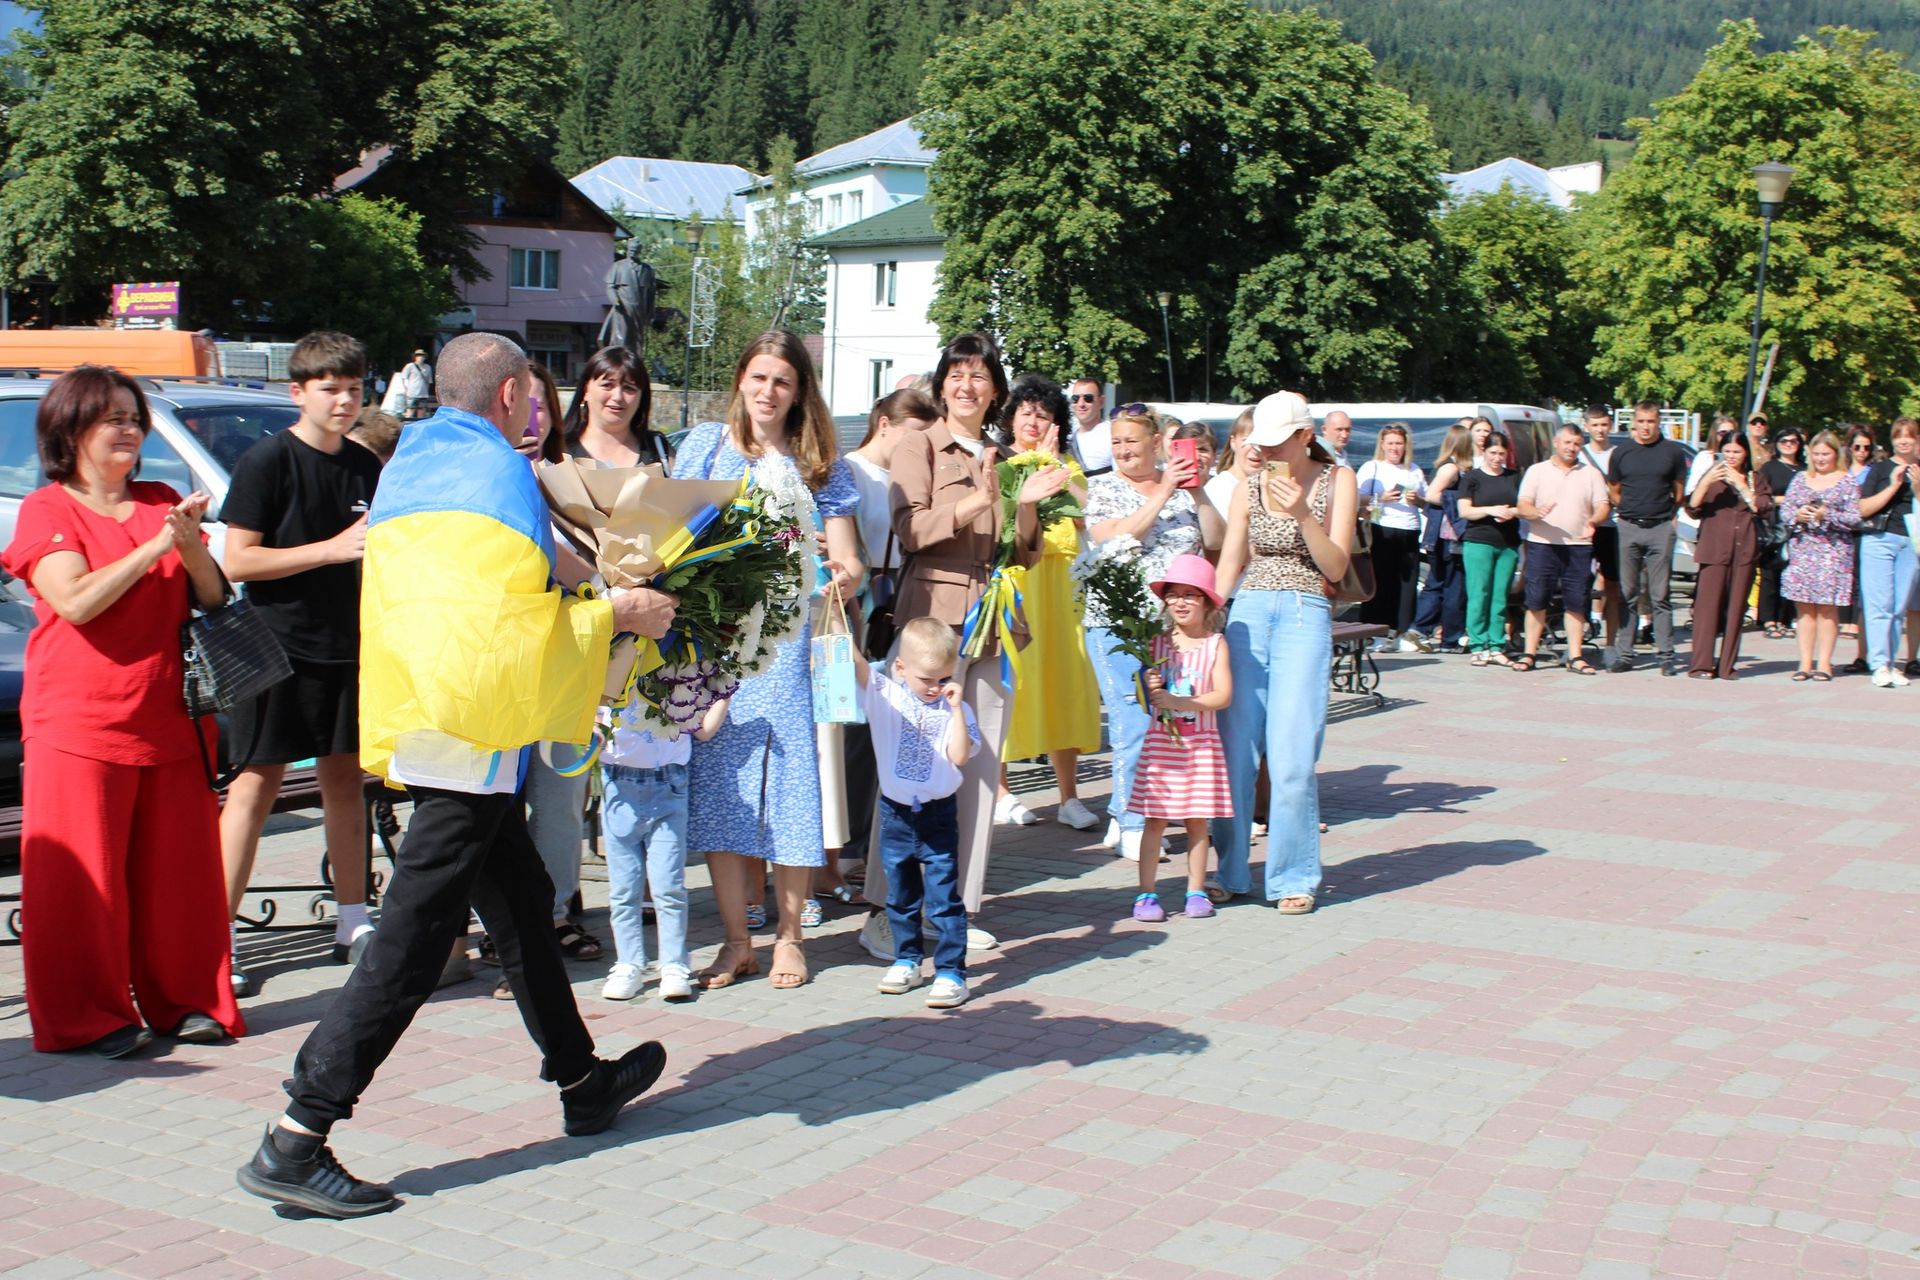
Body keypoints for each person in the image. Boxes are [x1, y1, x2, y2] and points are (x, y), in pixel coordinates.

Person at [236, 333, 677, 1217]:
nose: (538, 409)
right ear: (512, 392)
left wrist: (597, 583)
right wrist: (619, 611)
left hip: (424, 712)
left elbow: (505, 579)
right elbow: (507, 620)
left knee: (519, 895)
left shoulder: (416, 460)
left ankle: (580, 1076)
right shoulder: (500, 474)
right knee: (409, 938)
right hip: (472, 729)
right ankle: (299, 1131)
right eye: (534, 396)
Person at [2, 365, 245, 1057]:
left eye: (135, 416)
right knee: (83, 886)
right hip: (77, 724)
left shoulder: (160, 500)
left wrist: (192, 547)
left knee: (178, 883)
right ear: (70, 430)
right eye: (112, 417)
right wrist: (158, 546)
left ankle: (185, 1002)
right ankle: (88, 1016)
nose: (129, 428)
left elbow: (215, 598)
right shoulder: (48, 510)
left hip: (169, 719)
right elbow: (75, 601)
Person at [672, 331, 861, 992]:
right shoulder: (704, 447)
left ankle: (788, 938)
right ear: (740, 380)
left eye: (782, 380)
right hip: (717, 640)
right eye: (758, 377)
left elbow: (852, 564)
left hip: (784, 646)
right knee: (721, 788)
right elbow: (670, 534)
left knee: (789, 788)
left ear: (798, 390)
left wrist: (835, 567)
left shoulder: (819, 462)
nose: (767, 391)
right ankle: (734, 942)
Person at [857, 333, 1052, 961]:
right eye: (957, 375)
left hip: (991, 617)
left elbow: (1024, 551)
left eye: (980, 376)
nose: (968, 386)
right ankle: (887, 915)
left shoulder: (1003, 452)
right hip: (930, 621)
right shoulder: (918, 444)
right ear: (942, 385)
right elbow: (910, 531)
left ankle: (956, 912)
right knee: (909, 765)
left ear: (996, 389)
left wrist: (1024, 506)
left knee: (976, 768)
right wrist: (977, 500)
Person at [216, 332, 383, 994]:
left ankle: (352, 919)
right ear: (298, 392)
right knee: (254, 788)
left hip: (348, 648)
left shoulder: (366, 467)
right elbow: (238, 560)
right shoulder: (267, 461)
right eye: (329, 389)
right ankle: (217, 935)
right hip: (274, 647)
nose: (343, 401)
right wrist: (329, 549)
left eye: (353, 389)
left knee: (346, 782)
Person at [1213, 391, 1357, 914]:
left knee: (1294, 757)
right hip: (1249, 611)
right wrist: (1204, 612)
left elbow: (1335, 567)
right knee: (1235, 752)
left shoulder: (1338, 479)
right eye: (1261, 442)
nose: (1266, 451)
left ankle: (1294, 875)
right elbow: (1230, 563)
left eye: (1277, 442)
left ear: (1304, 436)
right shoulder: (1247, 487)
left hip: (1304, 611)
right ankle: (1229, 870)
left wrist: (1301, 514)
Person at [1083, 406, 1223, 859]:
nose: (1123, 450)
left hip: (1174, 628)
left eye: (1132, 441)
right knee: (1134, 720)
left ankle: (1123, 809)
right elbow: (1115, 539)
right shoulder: (1102, 488)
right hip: (1116, 622)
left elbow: (1216, 540)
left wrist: (1197, 493)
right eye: (1117, 442)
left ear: (1156, 443)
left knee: (1164, 720)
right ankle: (1132, 823)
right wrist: (1162, 492)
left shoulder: (1182, 488)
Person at [511, 363, 605, 999]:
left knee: (561, 798)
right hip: (505, 665)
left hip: (566, 660)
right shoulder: (487, 479)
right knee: (498, 801)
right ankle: (504, 923)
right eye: (526, 406)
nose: (534, 420)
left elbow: (602, 560)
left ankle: (556, 912)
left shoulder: (572, 482)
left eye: (544, 407)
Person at [830, 388, 941, 910]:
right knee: (851, 728)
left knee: (883, 725)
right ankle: (845, 849)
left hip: (898, 599)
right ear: (882, 424)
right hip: (861, 600)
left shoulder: (902, 477)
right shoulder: (848, 472)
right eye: (910, 434)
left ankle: (870, 843)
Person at [995, 374, 1101, 830]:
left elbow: (1087, 511)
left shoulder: (1067, 466)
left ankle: (1069, 796)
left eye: (1045, 414)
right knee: (1011, 684)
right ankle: (1000, 790)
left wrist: (1056, 464)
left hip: (1063, 588)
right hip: (1020, 582)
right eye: (1027, 412)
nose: (1034, 421)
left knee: (1065, 683)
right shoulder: (999, 464)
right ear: (1011, 417)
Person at [863, 617, 982, 1010]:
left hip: (937, 814)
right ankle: (907, 958)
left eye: (944, 677)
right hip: (896, 813)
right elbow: (856, 664)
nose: (935, 688)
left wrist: (957, 711)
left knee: (944, 896)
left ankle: (951, 971)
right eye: (926, 679)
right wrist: (838, 607)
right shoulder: (886, 695)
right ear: (900, 668)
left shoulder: (955, 708)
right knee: (900, 894)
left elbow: (960, 756)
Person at [598, 691, 727, 1002]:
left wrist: (725, 689)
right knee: (624, 888)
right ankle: (628, 962)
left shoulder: (679, 667)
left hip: (668, 781)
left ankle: (674, 963)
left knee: (668, 886)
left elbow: (705, 730)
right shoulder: (611, 665)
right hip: (617, 782)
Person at [1127, 555, 1233, 923]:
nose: (1181, 602)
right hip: (1162, 745)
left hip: (1201, 745)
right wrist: (1148, 685)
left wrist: (1180, 701)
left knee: (1196, 821)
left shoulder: (1215, 644)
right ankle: (1146, 894)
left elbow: (1223, 695)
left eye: (1191, 595)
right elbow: (1143, 699)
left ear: (1206, 602)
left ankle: (1196, 890)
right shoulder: (1154, 643)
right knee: (1154, 819)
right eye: (1174, 595)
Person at [1517, 423, 1611, 674]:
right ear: (1556, 443)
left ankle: (1576, 656)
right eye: (1567, 442)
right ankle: (1529, 653)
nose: (1572, 448)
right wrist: (1536, 512)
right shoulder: (1537, 471)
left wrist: (1594, 521)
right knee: (1536, 600)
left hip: (1578, 546)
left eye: (1577, 444)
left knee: (1576, 602)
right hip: (1542, 545)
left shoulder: (1590, 473)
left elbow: (1603, 505)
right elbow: (1522, 505)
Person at [1606, 401, 1690, 675]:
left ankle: (1666, 654)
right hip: (1629, 526)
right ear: (1634, 422)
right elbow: (1614, 490)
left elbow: (1679, 492)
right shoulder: (1621, 452)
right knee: (1627, 593)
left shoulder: (1672, 453)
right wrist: (1630, 511)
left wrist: (1663, 513)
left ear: (1659, 422)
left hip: (1660, 527)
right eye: (1641, 421)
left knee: (1660, 594)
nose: (1645, 427)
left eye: (1650, 422)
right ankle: (1625, 654)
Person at [1685, 431, 1772, 679]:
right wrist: (1705, 482)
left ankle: (1726, 666)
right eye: (1727, 451)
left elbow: (1762, 507)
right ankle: (1701, 665)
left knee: (1735, 610)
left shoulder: (1756, 478)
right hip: (1714, 549)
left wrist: (1742, 485)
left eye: (1737, 451)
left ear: (1745, 453)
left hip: (1744, 550)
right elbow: (1692, 508)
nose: (1731, 456)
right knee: (1706, 609)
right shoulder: (1712, 477)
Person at [1781, 431, 1863, 682]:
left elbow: (1854, 517)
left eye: (1825, 454)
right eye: (1816, 454)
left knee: (1827, 609)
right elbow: (1785, 512)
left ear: (1836, 454)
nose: (1820, 459)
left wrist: (1826, 514)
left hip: (1833, 552)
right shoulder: (1800, 479)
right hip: (1803, 550)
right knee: (1804, 609)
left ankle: (1824, 663)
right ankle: (1805, 662)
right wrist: (1798, 515)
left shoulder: (1846, 481)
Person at [1856, 417, 1919, 687]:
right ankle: (1879, 663)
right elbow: (1862, 508)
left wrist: (1917, 488)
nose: (1904, 440)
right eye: (1899, 435)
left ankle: (1892, 664)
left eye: (1910, 435)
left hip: (1910, 541)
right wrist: (1894, 485)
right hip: (1879, 540)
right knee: (1879, 604)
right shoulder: (1879, 469)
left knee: (1898, 607)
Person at [1355, 424, 1425, 649]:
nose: (1395, 448)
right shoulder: (1372, 467)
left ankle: (1401, 632)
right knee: (1381, 580)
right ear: (1383, 445)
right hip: (1382, 526)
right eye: (1391, 443)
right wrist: (1381, 497)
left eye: (1399, 443)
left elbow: (1425, 500)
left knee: (1407, 583)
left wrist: (1417, 500)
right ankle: (1375, 630)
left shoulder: (1414, 469)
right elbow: (1356, 496)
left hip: (1409, 527)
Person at [1456, 432, 1523, 667]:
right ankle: (1477, 644)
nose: (1497, 458)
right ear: (1484, 452)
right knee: (1479, 594)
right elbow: (1465, 510)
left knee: (1499, 598)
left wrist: (1510, 512)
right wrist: (1491, 510)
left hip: (1508, 544)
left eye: (1501, 454)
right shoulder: (1472, 477)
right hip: (1479, 542)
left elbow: (1523, 506)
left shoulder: (1514, 476)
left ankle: (1496, 645)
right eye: (1493, 453)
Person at [1410, 424, 1474, 652]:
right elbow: (1432, 495)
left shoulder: (1452, 467)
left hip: (1441, 536)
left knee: (1437, 583)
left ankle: (1420, 628)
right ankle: (1450, 637)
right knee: (1453, 586)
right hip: (1448, 537)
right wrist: (1462, 500)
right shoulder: (1452, 469)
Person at [560, 345, 669, 466]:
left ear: (641, 397)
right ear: (586, 391)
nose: (618, 397)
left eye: (629, 388)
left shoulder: (661, 452)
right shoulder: (557, 450)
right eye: (607, 385)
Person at [1579, 405, 1624, 650]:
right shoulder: (1579, 454)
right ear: (1586, 427)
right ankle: (1583, 631)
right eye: (1595, 425)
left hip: (1611, 526)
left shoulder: (1618, 454)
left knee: (1613, 585)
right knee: (1578, 581)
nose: (1600, 430)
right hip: (1583, 525)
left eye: (1604, 425)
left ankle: (1611, 644)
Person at [1757, 428, 1804, 639]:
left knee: (1792, 574)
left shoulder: (1804, 470)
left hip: (1798, 526)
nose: (1788, 444)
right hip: (1774, 525)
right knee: (1770, 573)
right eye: (1783, 440)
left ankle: (1786, 619)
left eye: (1793, 441)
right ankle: (1768, 619)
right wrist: (1785, 500)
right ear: (1776, 444)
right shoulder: (1769, 468)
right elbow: (1761, 496)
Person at [1204, 408, 1257, 518]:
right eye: (1247, 440)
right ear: (1233, 442)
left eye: (1263, 442)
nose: (1256, 449)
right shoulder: (1219, 488)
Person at [1067, 376, 1111, 475]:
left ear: (1101, 402)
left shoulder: (1113, 434)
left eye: (1088, 398)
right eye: (1075, 398)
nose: (1081, 404)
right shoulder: (1067, 436)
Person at [380, 349, 434, 420]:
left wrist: (427, 392)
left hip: (423, 394)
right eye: (418, 355)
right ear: (415, 357)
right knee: (410, 411)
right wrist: (405, 389)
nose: (420, 357)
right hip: (412, 393)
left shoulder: (428, 367)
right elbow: (404, 378)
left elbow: (429, 381)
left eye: (422, 356)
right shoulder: (409, 366)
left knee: (421, 413)